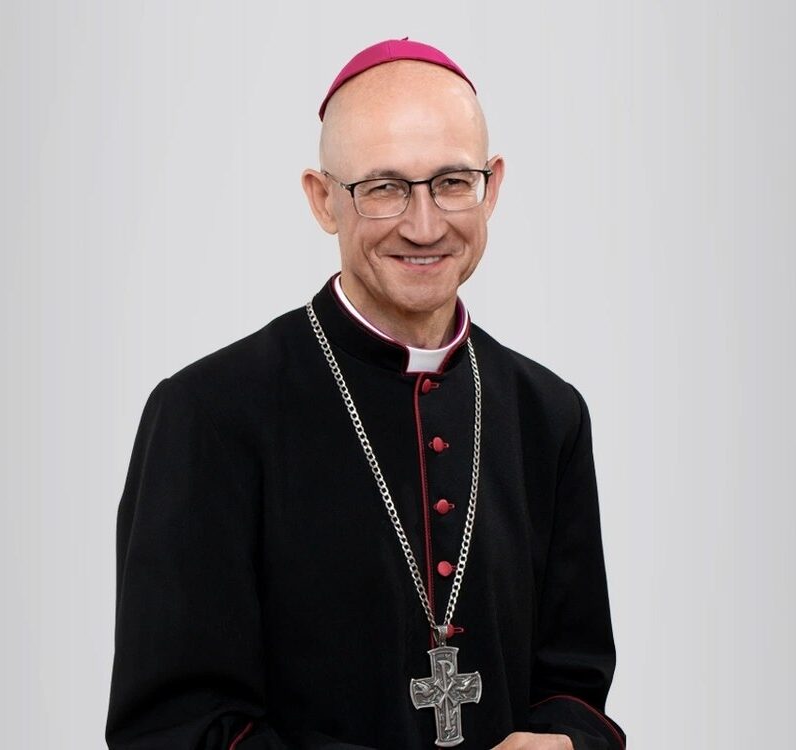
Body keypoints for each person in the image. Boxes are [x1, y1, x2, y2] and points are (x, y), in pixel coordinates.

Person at [106, 38, 626, 750]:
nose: (424, 225)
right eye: (383, 188)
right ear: (323, 200)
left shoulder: (548, 414)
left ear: (493, 185)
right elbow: (174, 728)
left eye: (452, 182)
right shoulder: (208, 415)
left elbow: (575, 686)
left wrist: (566, 741)